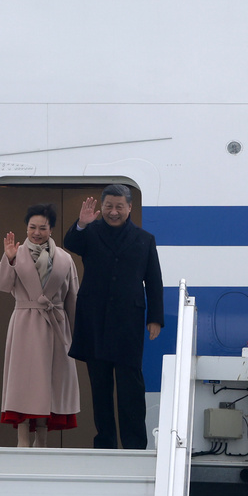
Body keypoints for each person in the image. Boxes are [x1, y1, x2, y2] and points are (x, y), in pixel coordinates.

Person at [64, 184, 163, 449]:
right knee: (100, 387)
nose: (114, 212)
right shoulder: (90, 232)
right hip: (94, 320)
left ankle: (135, 445)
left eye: (119, 206)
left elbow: (154, 281)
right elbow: (70, 243)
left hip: (128, 323)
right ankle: (105, 444)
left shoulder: (145, 239)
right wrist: (82, 224)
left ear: (129, 207)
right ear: (102, 207)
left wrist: (155, 318)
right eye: (108, 206)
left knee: (131, 386)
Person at [0, 203, 80, 447]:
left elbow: (73, 298)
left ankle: (42, 438)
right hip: (25, 325)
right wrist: (9, 259)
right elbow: (0, 284)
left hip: (55, 326)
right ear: (26, 228)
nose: (37, 232)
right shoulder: (16, 253)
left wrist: (75, 336)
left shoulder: (65, 259)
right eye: (32, 227)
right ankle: (22, 438)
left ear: (51, 229)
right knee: (24, 383)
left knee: (50, 383)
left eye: (42, 228)